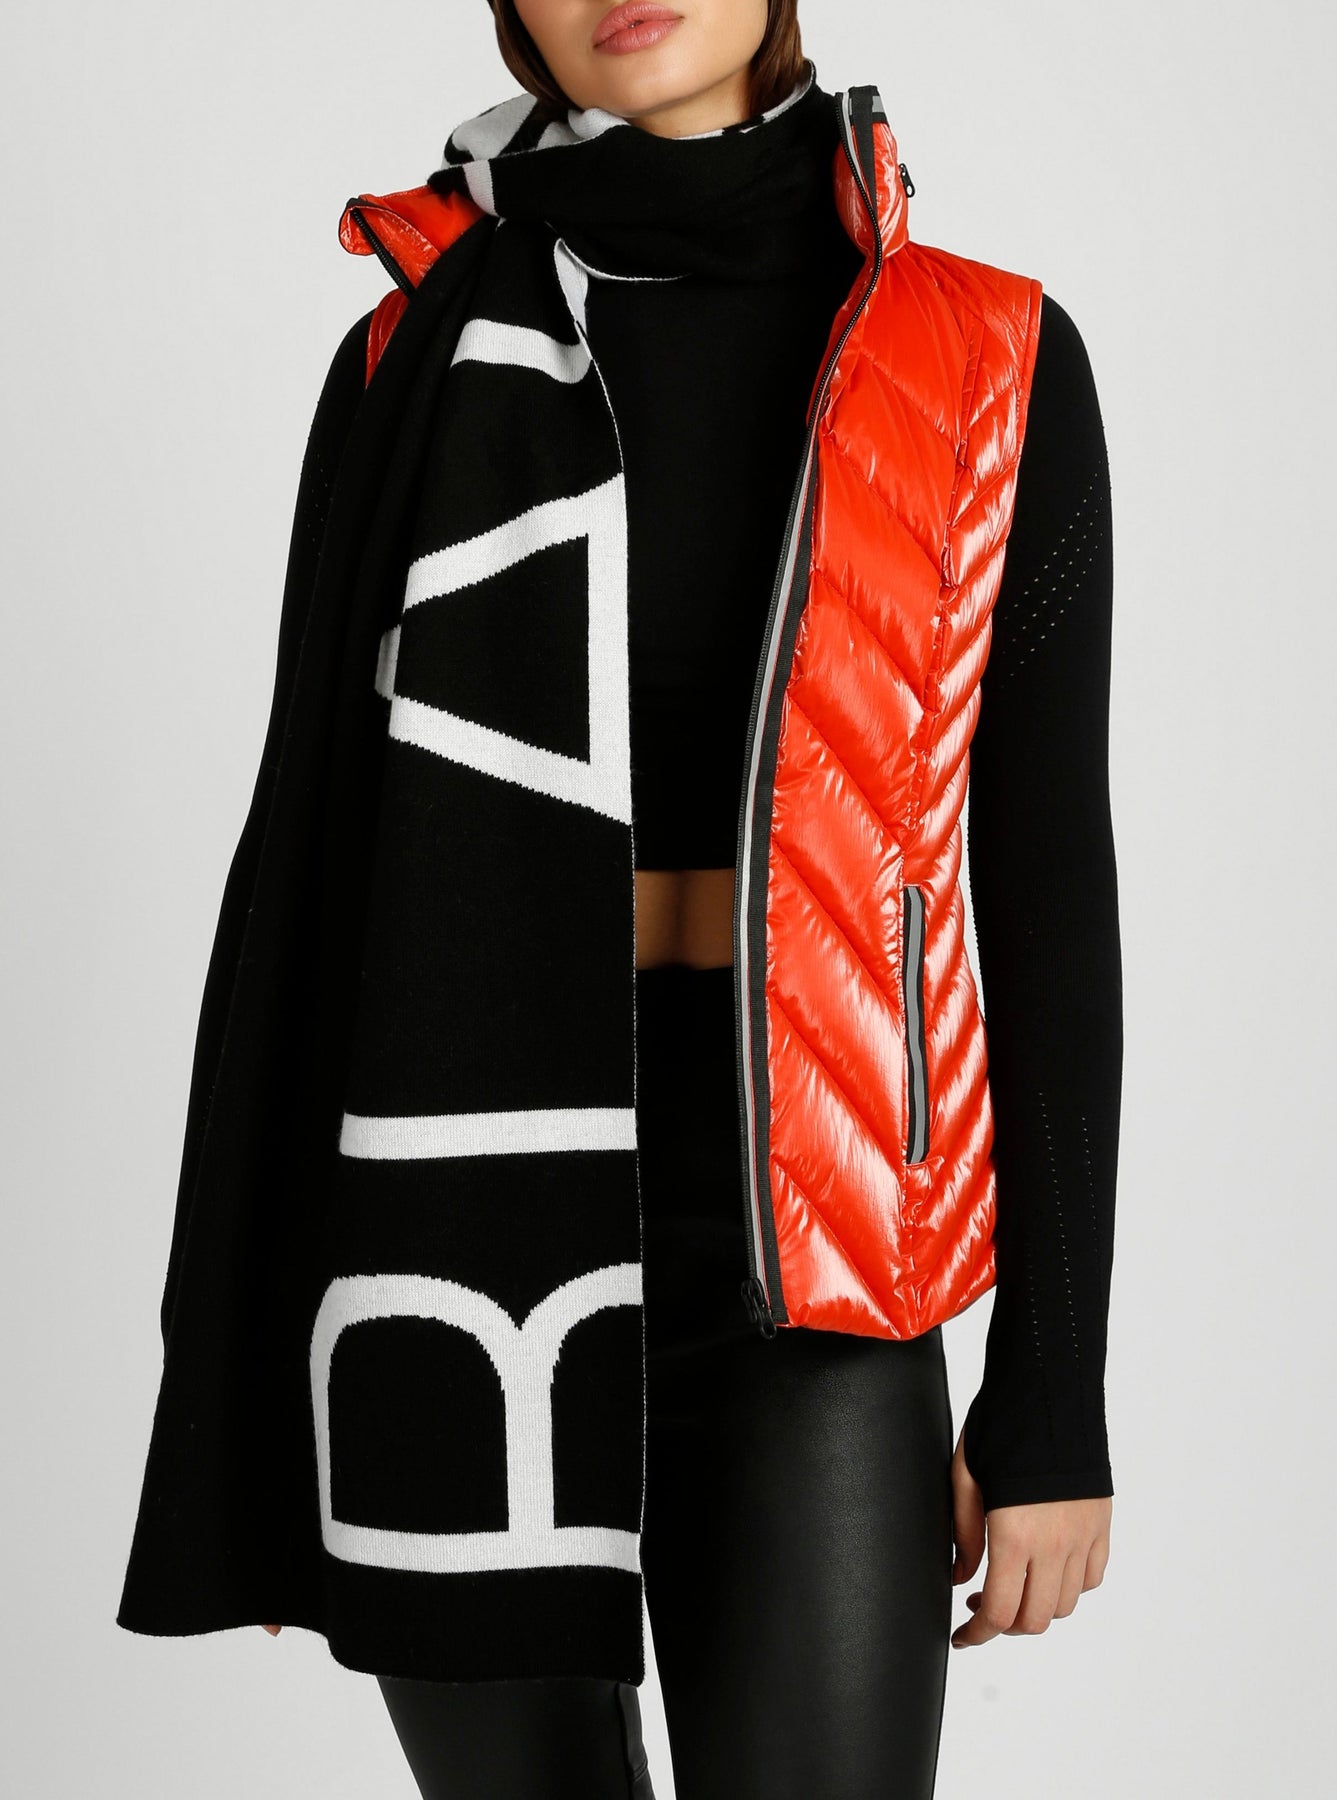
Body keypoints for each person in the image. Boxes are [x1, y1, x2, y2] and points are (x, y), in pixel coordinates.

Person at [118, 3, 1122, 1796]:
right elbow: (300, 873)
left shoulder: (983, 354)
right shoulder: (408, 350)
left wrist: (1051, 1395)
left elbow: (1045, 887)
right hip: (444, 1246)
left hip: (812, 1258)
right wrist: (236, 1396)